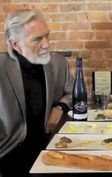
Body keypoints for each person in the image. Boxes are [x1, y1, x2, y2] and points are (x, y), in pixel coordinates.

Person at [0, 9, 74, 177]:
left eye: (47, 35)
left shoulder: (58, 63)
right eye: (37, 39)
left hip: (49, 150)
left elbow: (75, 94)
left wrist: (60, 106)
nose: (47, 44)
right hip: (9, 157)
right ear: (16, 45)